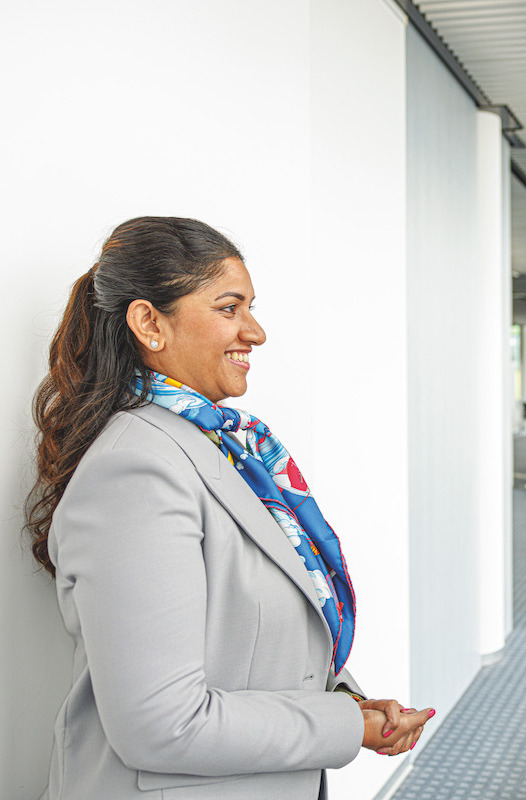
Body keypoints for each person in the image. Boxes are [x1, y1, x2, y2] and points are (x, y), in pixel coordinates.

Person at [25, 217, 435, 800]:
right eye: (229, 308)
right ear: (149, 323)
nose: (257, 331)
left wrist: (345, 699)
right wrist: (346, 726)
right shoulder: (136, 470)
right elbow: (160, 725)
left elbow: (248, 634)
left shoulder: (223, 450)